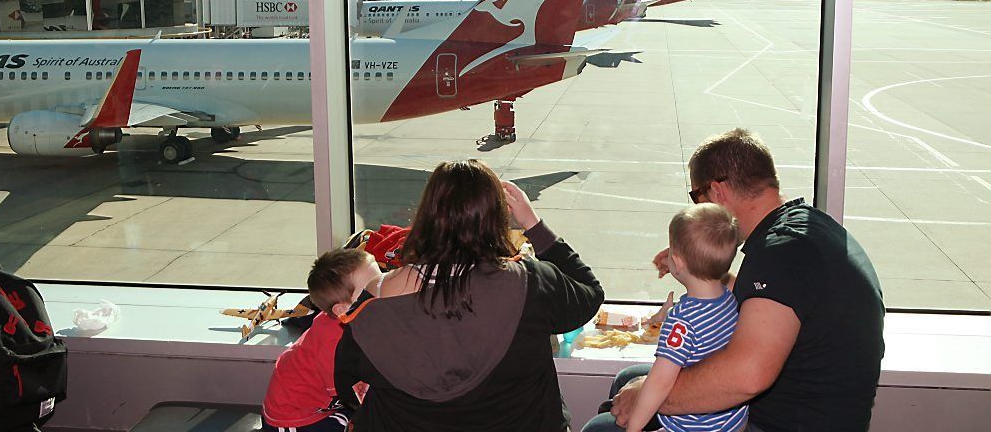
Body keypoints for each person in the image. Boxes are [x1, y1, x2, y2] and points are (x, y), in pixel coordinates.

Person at [584, 128, 884, 432]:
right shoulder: (806, 230)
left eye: (696, 197)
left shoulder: (780, 254)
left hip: (781, 422)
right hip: (818, 409)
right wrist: (699, 268)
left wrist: (652, 398)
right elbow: (770, 303)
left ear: (717, 193)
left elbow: (749, 374)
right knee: (629, 379)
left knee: (603, 427)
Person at [334, 159, 605, 432]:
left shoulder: (373, 307)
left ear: (427, 215)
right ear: (497, 218)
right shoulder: (531, 283)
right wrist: (533, 225)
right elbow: (590, 293)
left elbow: (348, 389)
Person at [624, 203, 746, 432]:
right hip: (733, 422)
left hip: (694, 427)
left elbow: (660, 383)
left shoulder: (682, 322)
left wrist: (634, 428)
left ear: (678, 262)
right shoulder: (730, 298)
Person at [261, 248, 381, 432]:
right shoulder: (333, 345)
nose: (384, 287)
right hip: (292, 419)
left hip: (321, 405)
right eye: (374, 287)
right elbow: (353, 394)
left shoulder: (345, 322)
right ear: (343, 310)